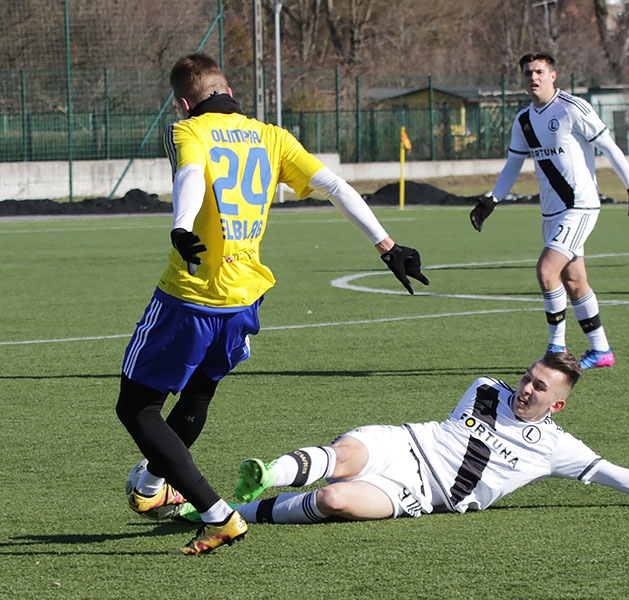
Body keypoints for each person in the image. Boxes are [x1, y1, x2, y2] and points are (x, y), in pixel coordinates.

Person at [116, 53, 429, 556]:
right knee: (196, 396)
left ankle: (218, 516)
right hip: (244, 298)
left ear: (183, 101)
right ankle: (151, 487)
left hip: (191, 296)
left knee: (137, 408)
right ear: (228, 89)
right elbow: (333, 185)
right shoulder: (272, 135)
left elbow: (190, 177)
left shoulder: (185, 131)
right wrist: (386, 245)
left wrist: (180, 225)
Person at [210, 353, 629, 527]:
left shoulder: (559, 447)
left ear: (556, 404)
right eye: (527, 377)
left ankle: (229, 511)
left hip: (423, 496)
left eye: (539, 388)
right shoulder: (486, 388)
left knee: (334, 498)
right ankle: (269, 473)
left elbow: (627, 480)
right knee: (346, 456)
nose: (525, 388)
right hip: (404, 443)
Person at [469, 52, 629, 370]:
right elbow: (514, 164)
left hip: (580, 207)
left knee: (546, 271)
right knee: (575, 280)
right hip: (551, 213)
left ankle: (556, 349)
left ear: (553, 75)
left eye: (539, 71)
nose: (533, 78)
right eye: (528, 73)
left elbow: (609, 147)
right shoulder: (523, 120)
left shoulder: (572, 108)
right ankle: (601, 351)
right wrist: (492, 200)